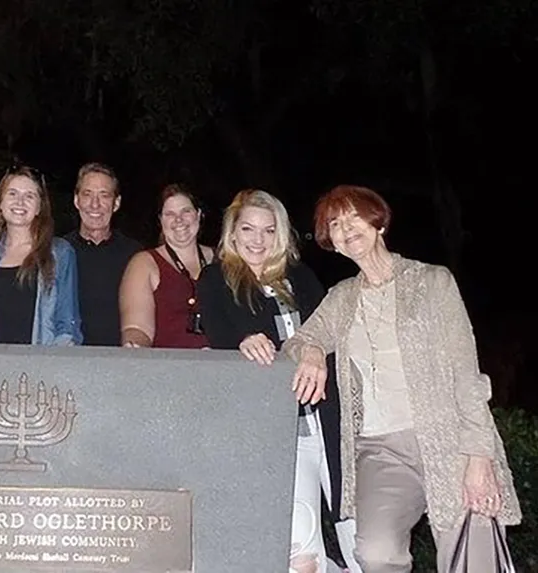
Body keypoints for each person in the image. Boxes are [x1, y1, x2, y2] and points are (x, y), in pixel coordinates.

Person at [282, 185, 521, 572]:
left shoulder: (432, 282)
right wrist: (311, 352)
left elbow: (465, 371)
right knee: (375, 553)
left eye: (353, 217)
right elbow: (301, 340)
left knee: (471, 557)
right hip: (380, 449)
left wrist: (479, 456)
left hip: (447, 437)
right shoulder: (342, 297)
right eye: (335, 224)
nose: (345, 229)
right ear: (333, 243)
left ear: (378, 222)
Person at [197, 189, 356, 573]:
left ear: (280, 235)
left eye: (268, 231)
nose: (257, 239)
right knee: (301, 555)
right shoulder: (217, 277)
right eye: (248, 229)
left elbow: (328, 332)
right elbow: (218, 328)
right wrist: (242, 340)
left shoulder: (301, 278)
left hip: (330, 421)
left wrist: (314, 349)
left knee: (363, 541)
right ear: (232, 234)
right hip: (280, 431)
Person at [0, 164, 82, 345]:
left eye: (29, 196)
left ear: (39, 208)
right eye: (12, 193)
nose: (20, 202)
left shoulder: (59, 253)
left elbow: (67, 325)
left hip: (41, 367)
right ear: (0, 203)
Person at [119, 184, 213, 348]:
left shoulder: (225, 260)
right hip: (169, 366)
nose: (179, 220)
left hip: (222, 365)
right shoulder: (144, 264)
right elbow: (136, 328)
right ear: (161, 221)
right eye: (170, 214)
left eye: (186, 211)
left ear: (198, 215)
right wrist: (134, 346)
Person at [63, 162, 142, 346]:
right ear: (76, 200)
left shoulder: (136, 256)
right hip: (68, 360)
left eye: (104, 195)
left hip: (120, 360)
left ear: (116, 203)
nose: (95, 204)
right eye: (87, 194)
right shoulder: (58, 253)